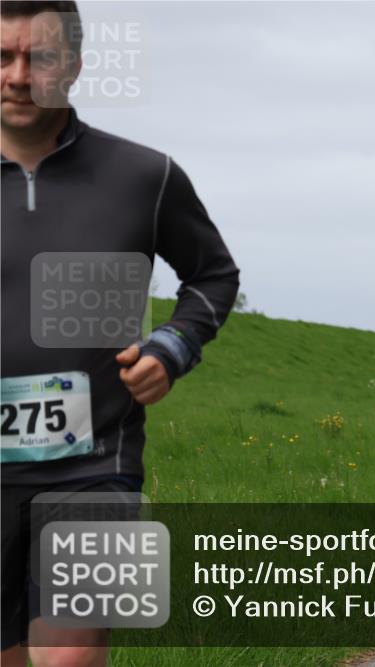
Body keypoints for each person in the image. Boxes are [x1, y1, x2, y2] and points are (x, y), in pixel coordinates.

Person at [1, 3, 240, 664]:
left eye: (40, 58)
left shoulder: (143, 176)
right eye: (3, 57)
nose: (19, 76)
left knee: (72, 652)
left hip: (96, 464)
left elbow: (213, 275)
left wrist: (172, 347)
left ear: (74, 65)